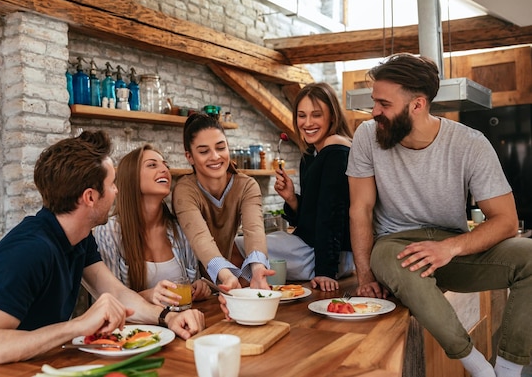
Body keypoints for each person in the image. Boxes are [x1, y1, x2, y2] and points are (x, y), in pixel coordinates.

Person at [0, 131, 204, 377]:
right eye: (112, 184)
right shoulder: (29, 250)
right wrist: (77, 326)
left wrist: (167, 317)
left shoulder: (80, 236)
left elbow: (115, 293)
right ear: (89, 197)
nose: (117, 191)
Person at [346, 53, 532, 377]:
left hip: (452, 248)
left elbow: (506, 220)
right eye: (374, 102)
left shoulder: (470, 144)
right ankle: (478, 367)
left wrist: (450, 248)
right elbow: (359, 209)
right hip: (395, 244)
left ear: (417, 105)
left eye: (383, 104)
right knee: (401, 260)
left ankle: (509, 369)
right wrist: (365, 277)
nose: (374, 111)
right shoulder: (366, 136)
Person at [93, 144, 211, 307]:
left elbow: (192, 286)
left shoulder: (180, 229)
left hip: (183, 324)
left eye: (165, 165)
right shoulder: (109, 231)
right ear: (131, 177)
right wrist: (148, 295)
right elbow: (109, 301)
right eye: (152, 165)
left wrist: (199, 288)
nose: (164, 169)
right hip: (136, 330)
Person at [268, 82, 354, 291]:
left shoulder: (335, 150)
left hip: (329, 257)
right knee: (248, 246)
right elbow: (311, 218)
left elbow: (332, 214)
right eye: (302, 115)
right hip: (313, 248)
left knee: (239, 248)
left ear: (332, 116)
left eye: (316, 115)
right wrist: (291, 198)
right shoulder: (311, 155)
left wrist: (325, 271)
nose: (307, 123)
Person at [172, 112, 272, 290]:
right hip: (191, 284)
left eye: (220, 147)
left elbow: (254, 230)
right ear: (189, 157)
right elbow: (200, 238)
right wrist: (226, 274)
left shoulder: (247, 186)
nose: (215, 156)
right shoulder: (184, 190)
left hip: (225, 283)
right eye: (204, 151)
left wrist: (258, 269)